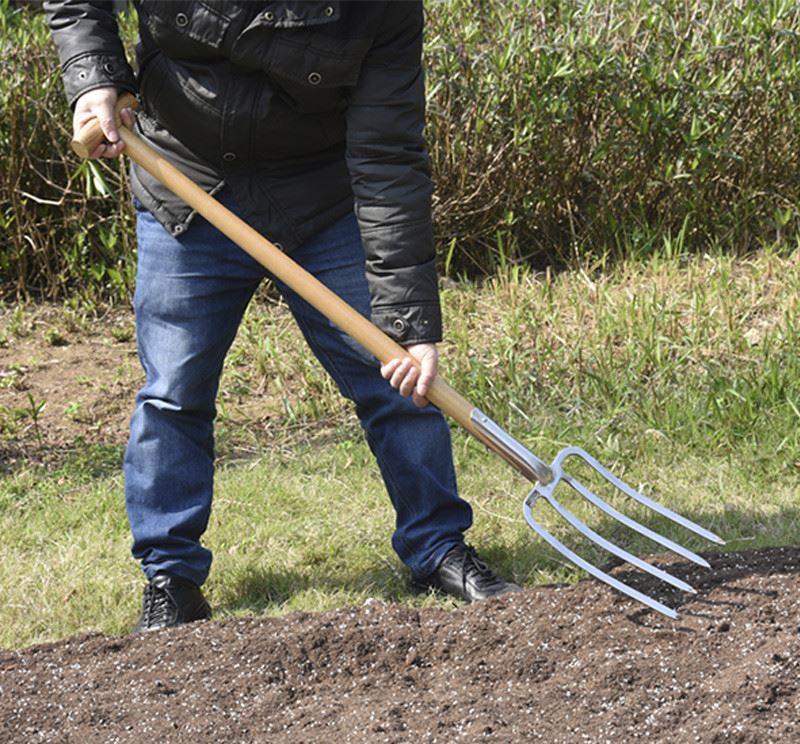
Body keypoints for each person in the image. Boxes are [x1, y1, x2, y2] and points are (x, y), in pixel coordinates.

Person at [45, 0, 521, 632]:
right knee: (174, 393)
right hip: (185, 178)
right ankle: (170, 577)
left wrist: (409, 328)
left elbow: (388, 157)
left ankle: (437, 547)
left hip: (319, 194)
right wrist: (95, 76)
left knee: (394, 375)